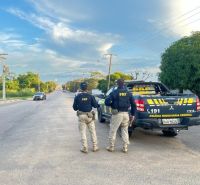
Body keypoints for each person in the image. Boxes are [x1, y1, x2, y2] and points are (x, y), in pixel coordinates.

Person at [105, 79, 136, 153]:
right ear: (124, 84)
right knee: (125, 131)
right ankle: (125, 147)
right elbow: (134, 104)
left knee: (113, 130)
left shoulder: (114, 92)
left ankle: (111, 147)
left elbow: (107, 102)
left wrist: (112, 105)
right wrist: (133, 114)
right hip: (126, 114)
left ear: (117, 84)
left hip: (117, 114)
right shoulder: (129, 93)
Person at [73, 82, 99, 153]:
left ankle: (85, 148)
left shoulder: (77, 97)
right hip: (89, 116)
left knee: (82, 132)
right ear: (87, 88)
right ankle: (95, 147)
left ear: (81, 88)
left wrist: (80, 106)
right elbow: (96, 105)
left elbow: (74, 108)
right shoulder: (91, 96)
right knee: (92, 132)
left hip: (81, 116)